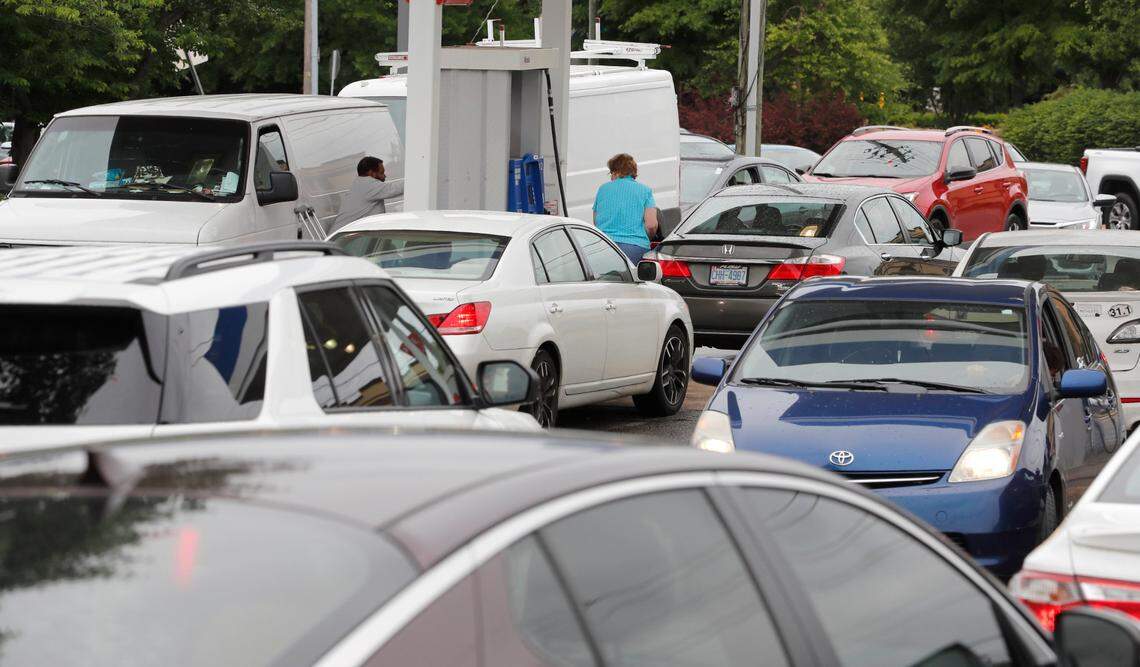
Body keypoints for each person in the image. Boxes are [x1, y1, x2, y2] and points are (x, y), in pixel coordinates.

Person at [592, 153, 659, 263]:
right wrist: (648, 236)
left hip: (604, 248)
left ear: (615, 172)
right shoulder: (645, 190)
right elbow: (651, 225)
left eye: (611, 172)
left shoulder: (603, 189)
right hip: (634, 249)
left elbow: (596, 221)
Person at [330, 156, 404, 234]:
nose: (384, 176)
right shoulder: (368, 185)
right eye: (381, 173)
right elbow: (393, 189)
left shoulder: (359, 184)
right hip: (344, 238)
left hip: (342, 235)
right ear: (371, 173)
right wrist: (415, 180)